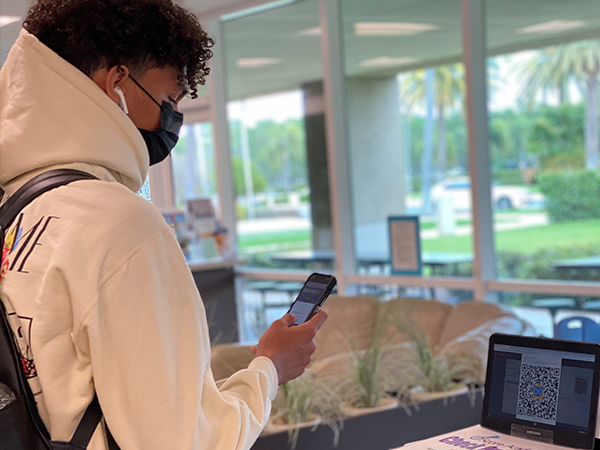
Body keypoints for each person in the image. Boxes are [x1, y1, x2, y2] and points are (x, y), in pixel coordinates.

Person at [0, 0, 327, 449]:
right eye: (170, 97)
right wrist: (269, 368)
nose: (173, 116)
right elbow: (184, 440)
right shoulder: (119, 224)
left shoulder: (17, 209)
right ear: (116, 82)